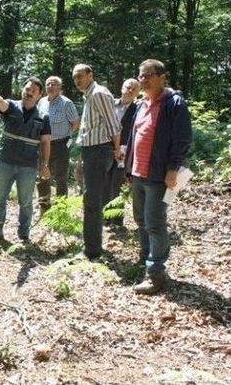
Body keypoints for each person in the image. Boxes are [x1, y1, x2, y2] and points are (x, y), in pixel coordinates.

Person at [126, 59, 192, 294]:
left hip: (158, 175)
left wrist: (173, 168)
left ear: (162, 76)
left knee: (154, 223)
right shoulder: (141, 104)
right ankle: (146, 261)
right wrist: (128, 167)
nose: (143, 79)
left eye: (148, 75)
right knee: (140, 220)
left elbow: (182, 139)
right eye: (140, 75)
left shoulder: (174, 103)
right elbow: (134, 138)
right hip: (138, 172)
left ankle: (156, 273)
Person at [0, 77, 51, 242]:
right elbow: (2, 104)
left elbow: (45, 142)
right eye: (27, 89)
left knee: (26, 202)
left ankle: (23, 235)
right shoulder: (11, 106)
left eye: (33, 91)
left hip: (28, 166)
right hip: (5, 162)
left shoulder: (43, 116)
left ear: (39, 95)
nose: (29, 93)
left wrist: (44, 165)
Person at [72, 64, 122, 259]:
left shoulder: (98, 93)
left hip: (99, 152)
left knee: (92, 201)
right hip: (91, 151)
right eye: (74, 78)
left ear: (90, 75)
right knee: (91, 199)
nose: (77, 81)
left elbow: (113, 124)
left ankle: (92, 250)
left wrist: (116, 149)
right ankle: (92, 245)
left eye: (80, 76)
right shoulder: (89, 95)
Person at [36, 76, 79, 213]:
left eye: (54, 84)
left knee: (61, 177)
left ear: (60, 88)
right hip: (43, 144)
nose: (50, 86)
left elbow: (75, 123)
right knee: (42, 173)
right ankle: (44, 205)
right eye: (48, 84)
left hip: (61, 144)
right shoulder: (41, 102)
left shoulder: (66, 103)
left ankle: (61, 209)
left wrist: (64, 135)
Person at [104, 78, 140, 226]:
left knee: (116, 185)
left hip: (124, 152)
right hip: (105, 148)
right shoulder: (110, 104)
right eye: (127, 87)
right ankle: (105, 218)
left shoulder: (138, 109)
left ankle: (117, 221)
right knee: (104, 183)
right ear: (121, 87)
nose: (129, 90)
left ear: (137, 93)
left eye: (133, 89)